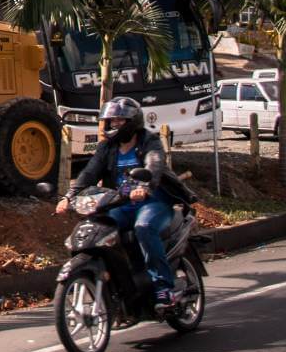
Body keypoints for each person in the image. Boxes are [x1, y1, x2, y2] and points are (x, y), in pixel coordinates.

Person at [54, 96, 191, 305]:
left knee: (144, 227)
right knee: (98, 232)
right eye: (112, 120)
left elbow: (154, 163)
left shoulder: (149, 141)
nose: (114, 124)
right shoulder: (107, 147)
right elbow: (89, 173)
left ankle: (164, 287)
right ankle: (119, 285)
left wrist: (144, 186)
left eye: (119, 120)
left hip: (152, 201)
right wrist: (69, 196)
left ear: (132, 122)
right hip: (120, 203)